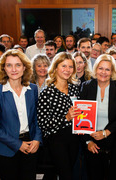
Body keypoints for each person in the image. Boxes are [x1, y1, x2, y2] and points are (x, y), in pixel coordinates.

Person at [0, 49, 42, 180]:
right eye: (9, 65)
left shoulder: (32, 89)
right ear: (4, 68)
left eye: (18, 65)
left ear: (24, 67)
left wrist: (37, 139)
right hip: (7, 148)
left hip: (31, 145)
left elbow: (37, 118)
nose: (14, 69)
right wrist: (18, 144)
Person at [80, 54, 116, 180]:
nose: (103, 72)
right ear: (95, 69)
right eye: (101, 68)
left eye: (107, 69)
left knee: (112, 175)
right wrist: (88, 141)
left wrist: (106, 132)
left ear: (112, 71)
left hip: (114, 139)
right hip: (92, 140)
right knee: (94, 175)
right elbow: (81, 117)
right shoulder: (86, 86)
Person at [37, 52, 80, 180]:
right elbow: (43, 123)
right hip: (56, 139)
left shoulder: (75, 88)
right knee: (65, 174)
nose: (67, 70)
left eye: (70, 67)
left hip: (74, 138)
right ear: (55, 67)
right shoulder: (47, 92)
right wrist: (65, 118)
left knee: (68, 171)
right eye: (64, 66)